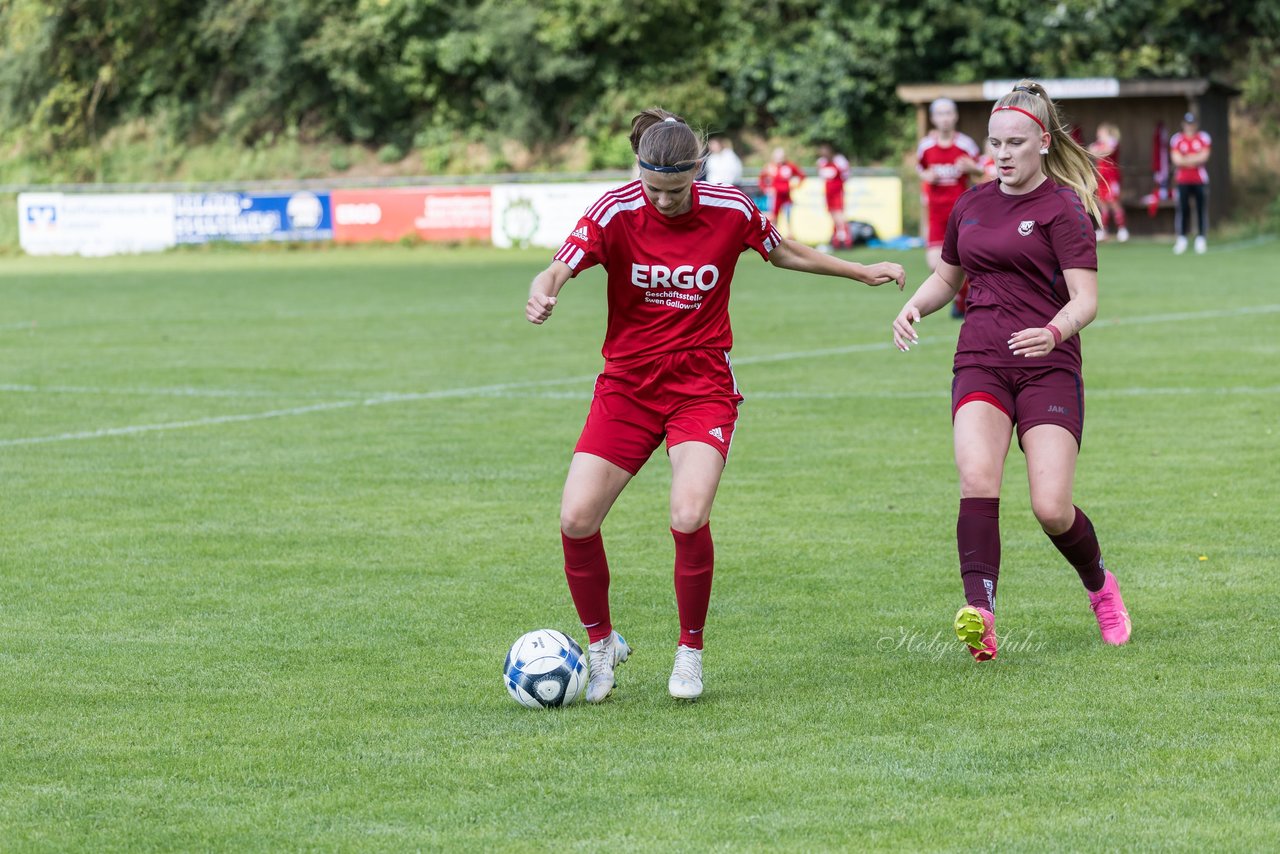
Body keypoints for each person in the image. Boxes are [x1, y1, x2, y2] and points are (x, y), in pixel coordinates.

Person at [527, 108, 905, 700]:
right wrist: (541, 293)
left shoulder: (731, 208)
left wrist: (860, 271)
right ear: (638, 172)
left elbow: (783, 252)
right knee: (576, 519)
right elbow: (559, 267)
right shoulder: (616, 209)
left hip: (701, 386)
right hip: (627, 386)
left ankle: (689, 653)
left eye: (676, 191)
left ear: (697, 172)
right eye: (653, 188)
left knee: (688, 513)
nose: (664, 201)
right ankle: (601, 648)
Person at [891, 80, 1132, 662]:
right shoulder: (971, 204)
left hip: (1047, 367)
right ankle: (981, 615)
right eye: (995, 142)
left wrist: (1053, 332)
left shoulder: (1064, 208)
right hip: (979, 361)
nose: (1001, 154)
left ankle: (1099, 584)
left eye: (1015, 143)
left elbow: (1085, 300)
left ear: (1043, 143)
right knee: (977, 480)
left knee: (1051, 507)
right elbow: (949, 278)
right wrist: (915, 304)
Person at [917, 98, 982, 276]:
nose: (944, 118)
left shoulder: (966, 144)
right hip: (936, 215)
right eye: (940, 114)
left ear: (955, 116)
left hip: (962, 214)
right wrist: (926, 175)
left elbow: (984, 171)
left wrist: (972, 168)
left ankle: (961, 302)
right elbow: (920, 169)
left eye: (948, 113)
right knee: (934, 265)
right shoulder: (926, 146)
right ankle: (959, 300)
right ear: (933, 118)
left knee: (967, 265)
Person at [1170, 112, 1211, 254]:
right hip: (1182, 180)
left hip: (1200, 180)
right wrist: (1193, 159)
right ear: (1183, 125)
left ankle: (1201, 238)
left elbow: (1204, 157)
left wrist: (1186, 159)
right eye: (1187, 124)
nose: (1190, 127)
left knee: (1201, 209)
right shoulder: (1177, 139)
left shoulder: (1203, 137)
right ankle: (1182, 238)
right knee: (1183, 209)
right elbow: (1176, 160)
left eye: (1192, 124)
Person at [1089, 123, 1128, 242]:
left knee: (1114, 202)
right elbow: (1090, 150)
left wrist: (1099, 151)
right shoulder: (1099, 143)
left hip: (1112, 177)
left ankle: (1122, 230)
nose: (1098, 134)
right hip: (1102, 177)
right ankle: (1103, 231)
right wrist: (1098, 150)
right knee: (1103, 205)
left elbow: (1107, 151)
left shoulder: (1113, 141)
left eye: (1101, 131)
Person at [758, 147, 805, 240]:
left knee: (788, 217)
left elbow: (801, 175)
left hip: (786, 196)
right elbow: (761, 179)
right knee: (774, 216)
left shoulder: (789, 166)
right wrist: (766, 189)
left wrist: (795, 185)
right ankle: (775, 236)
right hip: (775, 196)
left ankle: (790, 237)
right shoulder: (770, 167)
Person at [817, 142, 852, 248]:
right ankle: (837, 238)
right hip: (828, 194)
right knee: (833, 216)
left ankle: (846, 239)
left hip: (837, 193)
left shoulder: (839, 161)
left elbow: (846, 174)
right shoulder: (821, 162)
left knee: (839, 215)